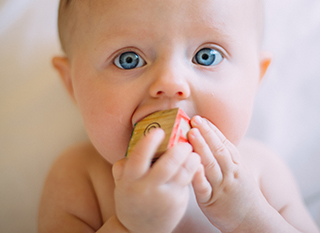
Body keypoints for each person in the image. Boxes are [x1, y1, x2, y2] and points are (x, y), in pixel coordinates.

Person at [38, 0, 320, 232]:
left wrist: (248, 216)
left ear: (254, 79)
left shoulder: (261, 172)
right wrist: (131, 226)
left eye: (207, 56)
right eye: (129, 59)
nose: (171, 82)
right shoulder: (79, 178)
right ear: (72, 84)